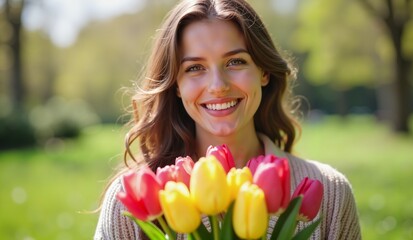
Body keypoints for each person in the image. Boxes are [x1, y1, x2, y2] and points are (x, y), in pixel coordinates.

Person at [94, 0, 361, 239]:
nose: (218, 86)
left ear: (264, 71)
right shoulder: (135, 200)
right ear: (176, 85)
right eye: (195, 68)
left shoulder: (330, 193)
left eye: (235, 62)